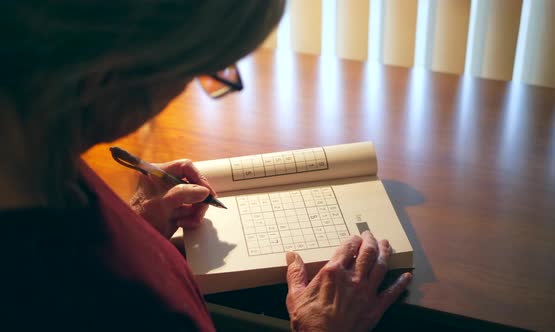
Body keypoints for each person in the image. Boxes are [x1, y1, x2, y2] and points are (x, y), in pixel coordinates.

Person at [0, 1, 412, 331]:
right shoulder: (114, 306)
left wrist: (134, 224)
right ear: (116, 68)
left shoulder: (35, 148)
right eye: (201, 68)